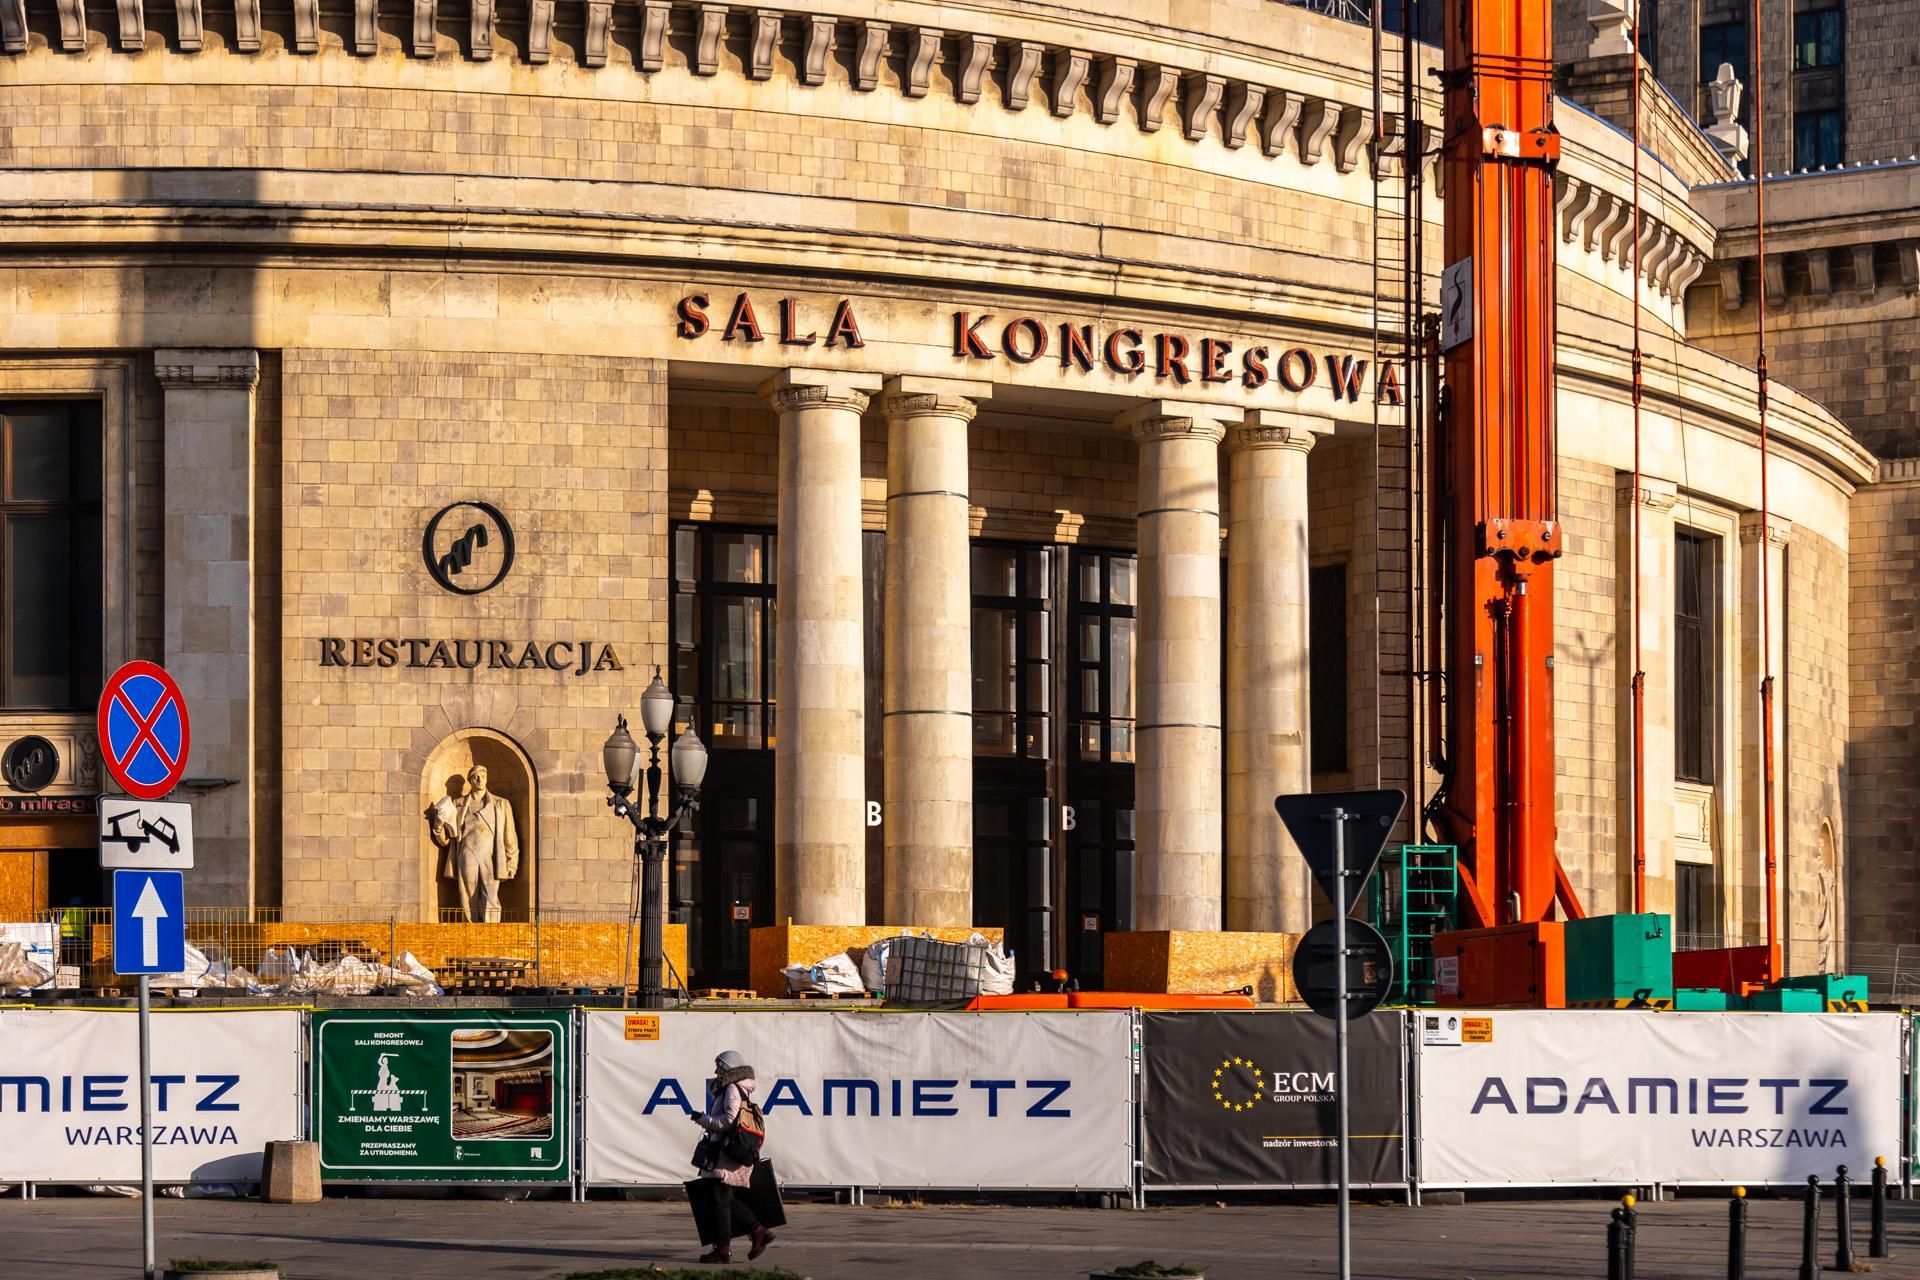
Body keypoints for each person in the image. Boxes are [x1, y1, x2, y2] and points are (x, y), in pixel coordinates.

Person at [690, 1049, 775, 1264]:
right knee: (721, 1198)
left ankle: (752, 1233)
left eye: (719, 1066)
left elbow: (728, 1120)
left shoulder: (732, 1089)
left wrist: (703, 1119)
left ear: (728, 1068)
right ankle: (735, 1242)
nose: (716, 1070)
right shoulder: (737, 1088)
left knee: (720, 1197)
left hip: (728, 1153)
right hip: (730, 1152)